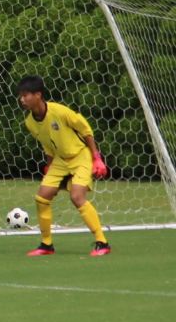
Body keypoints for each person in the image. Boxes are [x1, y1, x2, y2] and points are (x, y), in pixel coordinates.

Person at [16, 75, 110, 257]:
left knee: (77, 197)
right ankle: (46, 245)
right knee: (42, 197)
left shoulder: (59, 111)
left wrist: (96, 157)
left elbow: (86, 130)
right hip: (59, 160)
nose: (22, 99)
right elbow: (48, 145)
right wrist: (49, 167)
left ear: (38, 95)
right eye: (21, 95)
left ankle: (102, 243)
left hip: (80, 156)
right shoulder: (29, 122)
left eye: (26, 95)